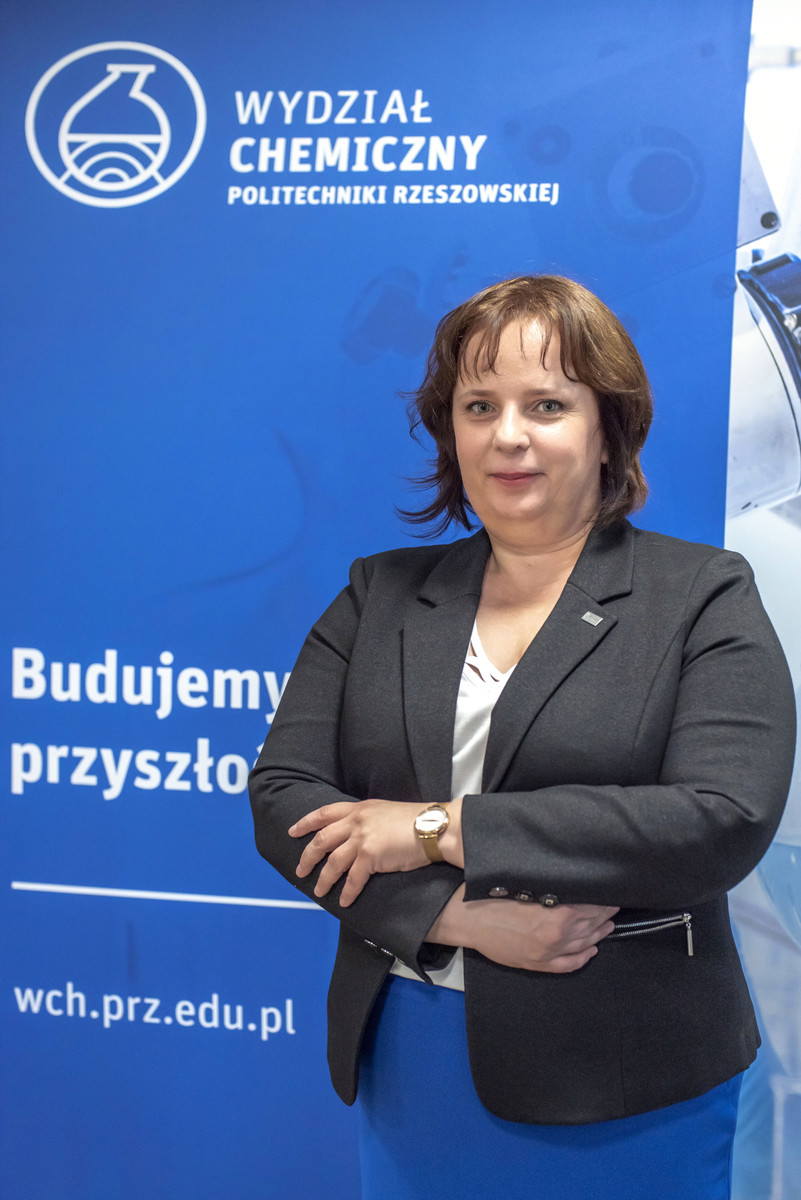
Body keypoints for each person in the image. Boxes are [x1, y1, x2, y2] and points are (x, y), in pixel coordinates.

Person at [248, 275, 795, 1200]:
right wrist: (449, 919)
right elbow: (284, 799)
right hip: (412, 1054)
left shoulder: (702, 595)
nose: (507, 435)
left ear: (607, 428)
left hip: (627, 1072)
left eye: (546, 404)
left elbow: (718, 817)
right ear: (448, 431)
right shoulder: (380, 593)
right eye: (478, 406)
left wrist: (436, 829)